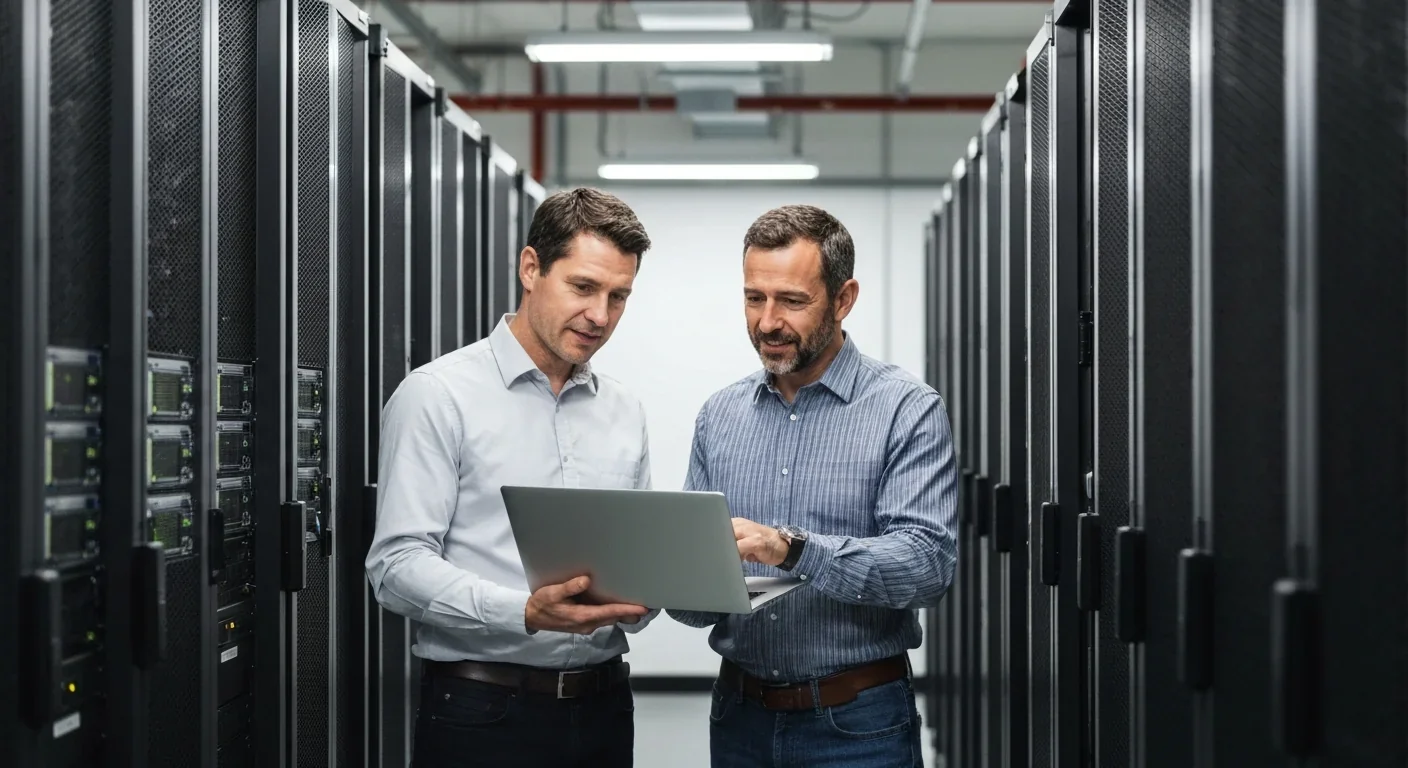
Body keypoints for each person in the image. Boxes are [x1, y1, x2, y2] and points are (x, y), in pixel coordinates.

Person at [366, 187, 658, 768]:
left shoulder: (624, 409)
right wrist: (524, 611)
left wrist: (651, 588)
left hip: (604, 708)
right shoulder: (438, 396)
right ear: (531, 268)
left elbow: (633, 557)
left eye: (618, 296)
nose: (600, 316)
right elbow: (394, 568)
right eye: (583, 287)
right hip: (482, 712)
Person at [668, 205, 958, 767]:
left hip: (858, 725)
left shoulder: (905, 408)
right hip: (739, 717)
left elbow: (927, 566)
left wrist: (793, 549)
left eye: (792, 301)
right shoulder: (720, 414)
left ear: (844, 299)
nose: (768, 321)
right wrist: (661, 576)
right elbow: (694, 608)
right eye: (755, 298)